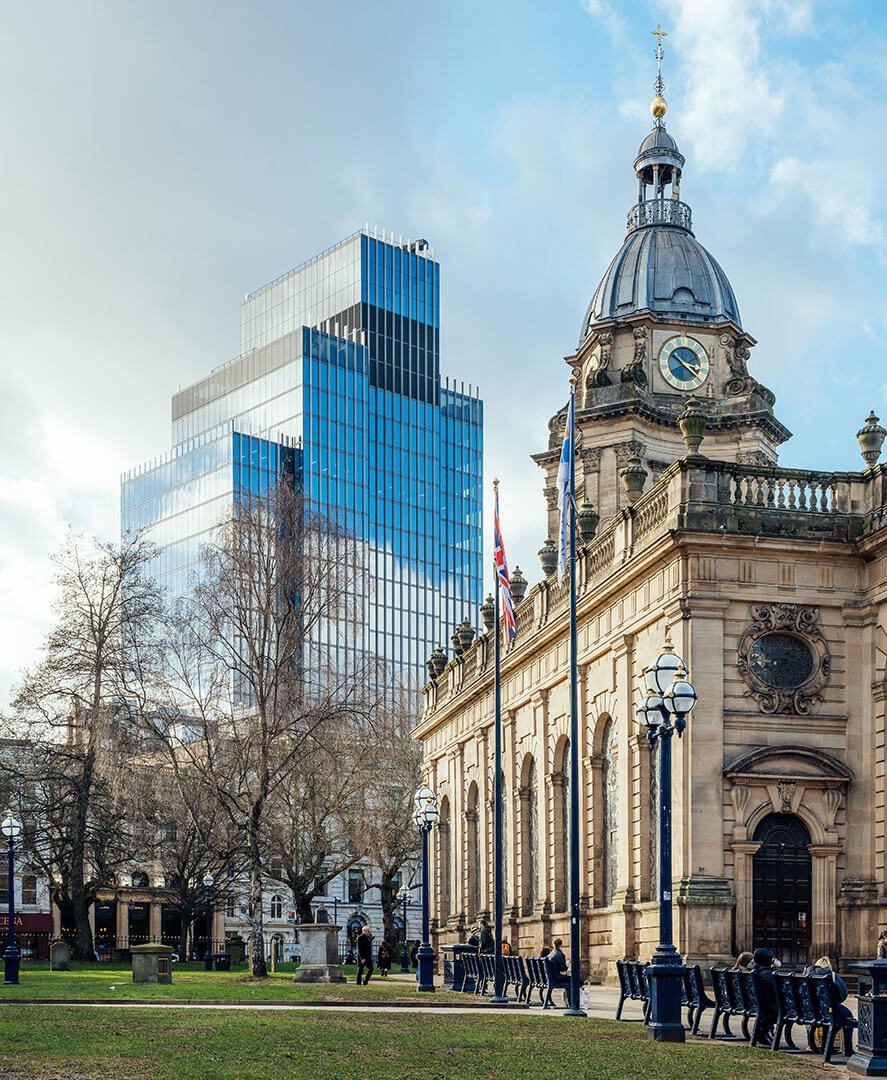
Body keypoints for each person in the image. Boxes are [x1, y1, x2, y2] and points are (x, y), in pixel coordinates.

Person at [805, 955, 855, 1036]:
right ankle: (847, 1043)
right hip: (829, 1011)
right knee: (848, 1016)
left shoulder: (807, 976)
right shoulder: (832, 975)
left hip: (809, 1011)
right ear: (828, 966)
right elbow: (843, 994)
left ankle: (815, 1041)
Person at [749, 948, 779, 1043]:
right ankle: (762, 1032)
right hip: (767, 1007)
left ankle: (764, 1031)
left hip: (753, 1003)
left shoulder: (754, 970)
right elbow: (777, 987)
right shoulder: (765, 973)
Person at [546, 937, 573, 1007]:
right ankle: (571, 1002)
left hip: (550, 977)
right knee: (575, 980)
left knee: (572, 979)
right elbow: (563, 968)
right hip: (556, 977)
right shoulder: (559, 954)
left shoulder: (550, 954)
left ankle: (569, 1001)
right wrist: (567, 967)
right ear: (561, 945)